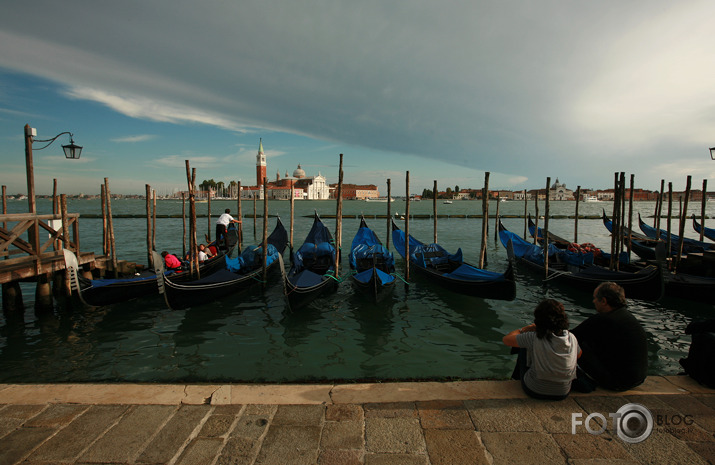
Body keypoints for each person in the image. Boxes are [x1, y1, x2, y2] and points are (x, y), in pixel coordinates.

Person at [571, 282, 648, 391]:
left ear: (604, 301)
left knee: (575, 343)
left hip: (616, 382)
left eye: (595, 299)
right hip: (637, 379)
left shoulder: (603, 319)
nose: (593, 301)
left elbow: (569, 337)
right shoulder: (627, 316)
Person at [503, 299, 581, 400]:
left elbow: (506, 340)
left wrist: (524, 330)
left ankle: (516, 378)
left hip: (535, 389)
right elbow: (579, 355)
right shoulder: (571, 337)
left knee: (523, 347)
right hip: (563, 392)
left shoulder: (533, 337)